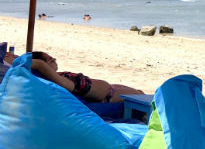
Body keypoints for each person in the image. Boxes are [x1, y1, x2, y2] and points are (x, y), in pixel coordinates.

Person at [5, 50, 145, 103]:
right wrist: (41, 64)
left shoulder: (51, 76)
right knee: (139, 95)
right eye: (50, 59)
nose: (54, 59)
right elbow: (67, 86)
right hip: (106, 96)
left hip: (109, 90)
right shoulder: (51, 77)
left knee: (137, 92)